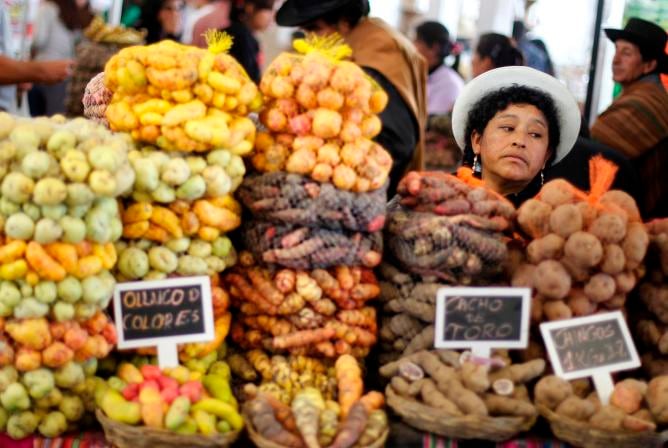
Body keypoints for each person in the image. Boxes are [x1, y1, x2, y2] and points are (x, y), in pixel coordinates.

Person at [275, 0, 427, 196]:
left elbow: (396, 142)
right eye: (306, 31)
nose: (310, 39)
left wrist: (353, 185)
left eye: (315, 29)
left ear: (344, 22)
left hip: (370, 189)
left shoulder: (375, 51)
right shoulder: (361, 38)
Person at [451, 66, 581, 206]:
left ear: (547, 155)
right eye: (508, 128)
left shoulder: (550, 217)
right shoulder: (444, 192)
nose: (519, 141)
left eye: (535, 134)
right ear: (477, 140)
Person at [591, 18, 668, 218]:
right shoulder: (647, 93)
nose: (615, 59)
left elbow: (593, 151)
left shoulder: (644, 102)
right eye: (616, 50)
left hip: (645, 221)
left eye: (626, 53)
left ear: (649, 65)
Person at [0, 8, 72, 113]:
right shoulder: (50, 9)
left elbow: (38, 39)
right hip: (52, 72)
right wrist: (39, 71)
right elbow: (38, 40)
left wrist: (17, 77)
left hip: (51, 71)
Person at [29, 0, 93, 116]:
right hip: (62, 74)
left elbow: (38, 40)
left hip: (41, 71)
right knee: (55, 118)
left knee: (35, 118)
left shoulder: (47, 8)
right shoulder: (74, 14)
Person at [414, 21, 463, 115]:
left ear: (434, 48)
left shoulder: (449, 84)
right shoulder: (424, 74)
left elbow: (430, 124)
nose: (412, 46)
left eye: (417, 41)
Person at [224, 0, 275, 83]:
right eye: (269, 9)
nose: (272, 16)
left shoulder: (246, 36)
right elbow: (249, 78)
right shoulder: (239, 37)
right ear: (250, 7)